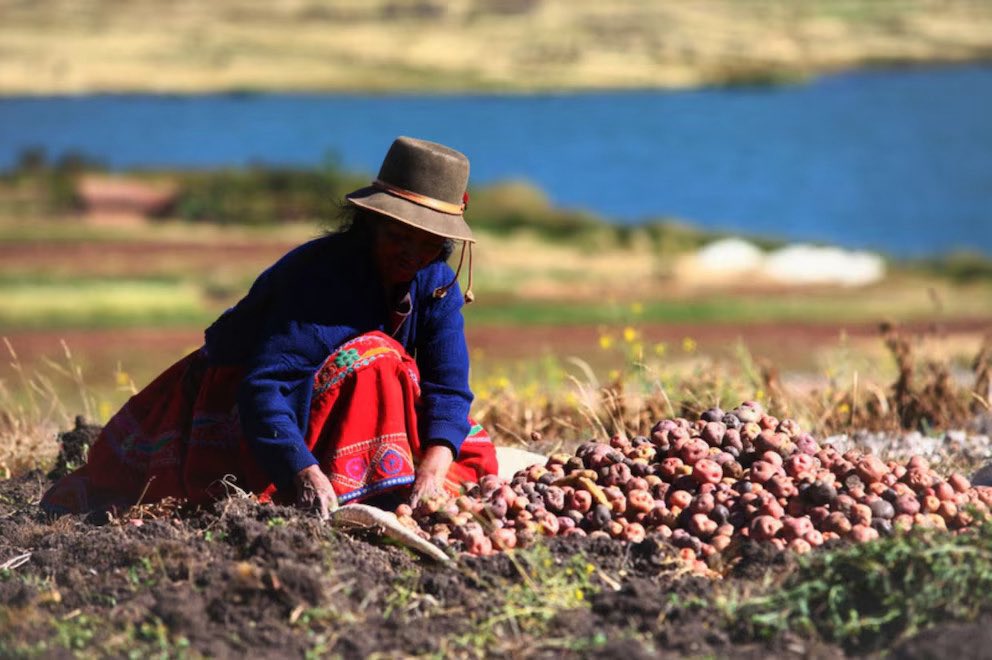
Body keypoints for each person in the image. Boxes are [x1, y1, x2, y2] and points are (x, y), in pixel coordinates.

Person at [41, 136, 499, 517]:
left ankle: (383, 476)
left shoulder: (437, 283)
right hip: (244, 398)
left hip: (332, 398)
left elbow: (447, 385)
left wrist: (434, 466)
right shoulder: (323, 278)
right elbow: (264, 387)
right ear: (370, 224)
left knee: (463, 447)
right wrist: (302, 472)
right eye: (398, 236)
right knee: (377, 359)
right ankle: (362, 480)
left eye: (428, 243)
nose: (411, 254)